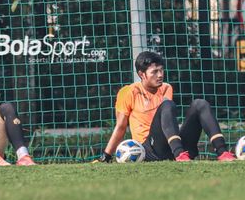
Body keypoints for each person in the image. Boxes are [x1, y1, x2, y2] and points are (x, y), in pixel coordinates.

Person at [95, 51, 236, 163]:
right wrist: (106, 155)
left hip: (171, 146)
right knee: (167, 104)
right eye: (154, 72)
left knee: (200, 103)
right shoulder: (128, 92)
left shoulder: (166, 88)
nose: (160, 75)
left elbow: (167, 121)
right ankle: (179, 154)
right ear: (141, 74)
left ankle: (223, 152)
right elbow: (120, 127)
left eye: (161, 70)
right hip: (150, 149)